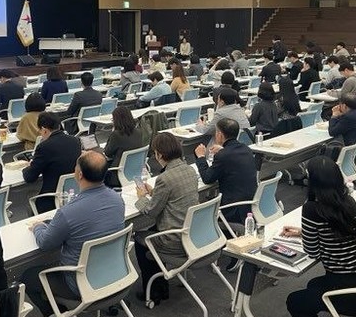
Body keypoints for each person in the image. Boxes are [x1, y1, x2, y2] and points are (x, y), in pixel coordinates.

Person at [284, 156, 356, 317]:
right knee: (313, 284)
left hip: (347, 292)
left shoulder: (312, 209)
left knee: (294, 301)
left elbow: (312, 251)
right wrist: (304, 232)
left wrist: (309, 233)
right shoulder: (349, 202)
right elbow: (339, 231)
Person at [22, 150, 125, 317]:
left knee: (28, 276)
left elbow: (45, 243)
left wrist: (38, 227)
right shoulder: (117, 199)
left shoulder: (68, 212)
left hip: (80, 283)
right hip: (114, 273)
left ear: (79, 174)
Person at [134, 133, 199, 304]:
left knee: (139, 237)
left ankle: (154, 291)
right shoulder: (190, 170)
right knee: (150, 233)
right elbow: (174, 196)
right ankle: (160, 283)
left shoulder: (164, 178)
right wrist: (154, 192)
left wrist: (141, 198)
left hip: (172, 239)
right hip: (190, 233)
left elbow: (150, 212)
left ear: (159, 154)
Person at [194, 118, 257, 225]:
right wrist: (223, 150)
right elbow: (232, 158)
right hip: (251, 204)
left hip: (233, 209)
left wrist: (200, 157)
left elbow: (207, 178)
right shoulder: (246, 149)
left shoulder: (223, 155)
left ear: (220, 135)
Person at [23, 112, 82, 213]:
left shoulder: (44, 147)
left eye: (40, 131)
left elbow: (30, 177)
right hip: (73, 193)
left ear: (44, 130)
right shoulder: (75, 141)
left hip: (51, 199)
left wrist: (27, 167)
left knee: (30, 197)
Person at [103, 106, 143, 182]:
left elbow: (107, 153)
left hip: (117, 174)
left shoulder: (116, 135)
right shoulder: (139, 132)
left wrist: (113, 132)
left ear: (116, 120)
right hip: (135, 171)